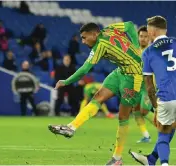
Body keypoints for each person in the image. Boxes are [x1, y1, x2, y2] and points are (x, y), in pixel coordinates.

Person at [48, 21, 143, 165]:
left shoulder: (100, 45)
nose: (83, 41)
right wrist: (136, 46)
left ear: (94, 34)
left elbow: (85, 69)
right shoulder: (109, 29)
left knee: (123, 116)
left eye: (85, 38)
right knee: (98, 96)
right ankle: (71, 127)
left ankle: (117, 158)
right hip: (120, 71)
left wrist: (66, 81)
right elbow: (130, 25)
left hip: (134, 75)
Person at [129, 16, 176, 166]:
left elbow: (149, 87)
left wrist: (156, 107)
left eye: (148, 30)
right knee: (172, 126)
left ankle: (163, 164)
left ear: (153, 31)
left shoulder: (148, 52)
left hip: (166, 97)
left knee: (163, 132)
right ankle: (151, 159)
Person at [133, 25, 155, 143]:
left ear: (149, 38)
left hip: (148, 86)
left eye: (146, 37)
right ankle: (146, 136)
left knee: (144, 111)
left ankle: (165, 129)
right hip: (136, 85)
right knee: (136, 110)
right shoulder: (135, 51)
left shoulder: (152, 51)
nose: (143, 39)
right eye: (141, 36)